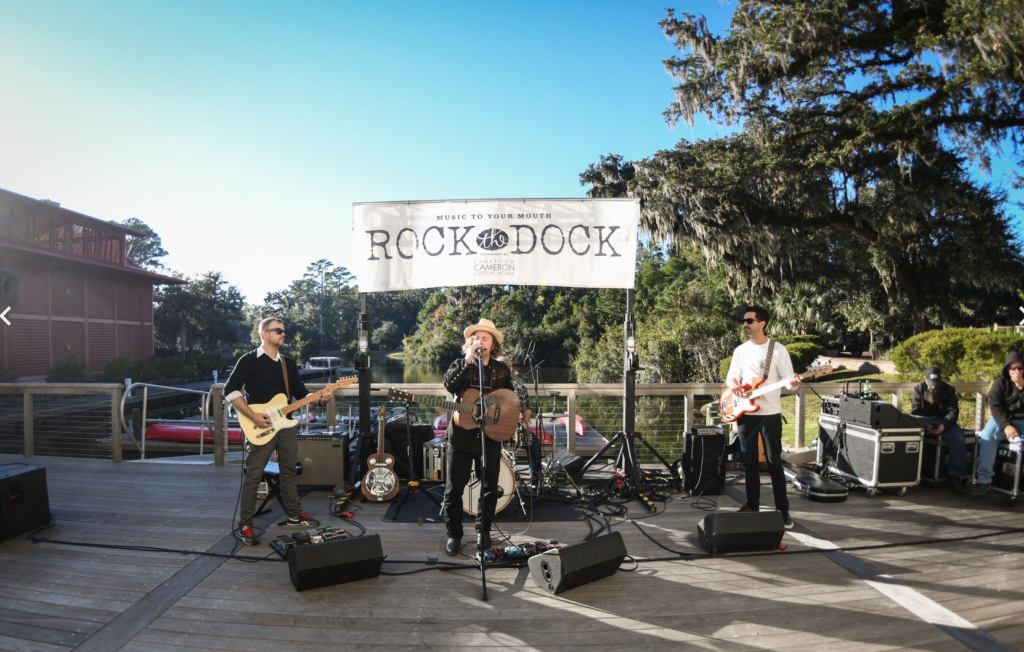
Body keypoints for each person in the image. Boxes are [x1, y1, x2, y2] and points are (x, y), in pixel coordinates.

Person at [225, 317, 325, 545]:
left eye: (284, 331)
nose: (283, 334)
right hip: (259, 425)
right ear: (264, 334)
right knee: (254, 476)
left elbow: (299, 392)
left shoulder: (287, 363)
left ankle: (294, 515)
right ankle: (246, 526)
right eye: (278, 330)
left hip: (286, 425)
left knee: (288, 472)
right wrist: (252, 415)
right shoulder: (249, 360)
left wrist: (320, 400)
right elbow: (230, 390)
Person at [441, 318, 515, 555]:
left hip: (490, 437)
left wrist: (502, 417)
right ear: (470, 342)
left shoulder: (501, 369)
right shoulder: (460, 364)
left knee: (490, 488)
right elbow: (450, 387)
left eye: (485, 338)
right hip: (461, 437)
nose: (479, 341)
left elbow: (510, 399)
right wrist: (467, 360)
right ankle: (454, 535)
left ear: (493, 345)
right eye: (476, 337)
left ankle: (483, 532)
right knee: (454, 489)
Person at [725, 305, 802, 529]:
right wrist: (735, 385)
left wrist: (795, 383)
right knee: (748, 463)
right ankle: (752, 505)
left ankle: (783, 511)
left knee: (774, 463)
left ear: (762, 323)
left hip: (770, 414)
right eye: (744, 321)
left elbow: (790, 382)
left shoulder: (778, 350)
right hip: (745, 412)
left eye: (749, 321)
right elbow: (731, 377)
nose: (745, 325)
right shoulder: (740, 350)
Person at [910, 366, 968, 494]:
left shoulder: (949, 390)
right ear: (925, 379)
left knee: (958, 437)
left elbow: (953, 412)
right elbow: (915, 411)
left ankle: (955, 476)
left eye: (936, 384)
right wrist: (925, 425)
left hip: (944, 420)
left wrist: (945, 425)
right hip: (926, 420)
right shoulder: (919, 389)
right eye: (931, 384)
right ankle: (914, 473)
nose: (934, 387)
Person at [974, 351, 1024, 496]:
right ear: (1007, 369)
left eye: (1020, 367)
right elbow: (995, 406)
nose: (1016, 371)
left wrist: (1021, 387)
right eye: (1012, 368)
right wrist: (1006, 425)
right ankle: (985, 480)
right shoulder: (1000, 382)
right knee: (987, 435)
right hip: (1003, 419)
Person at [496, 356, 537, 489]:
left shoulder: (520, 388)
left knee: (534, 442)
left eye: (505, 367)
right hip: (494, 432)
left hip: (515, 431)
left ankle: (535, 480)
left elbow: (527, 408)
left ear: (511, 368)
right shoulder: (491, 388)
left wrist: (525, 423)